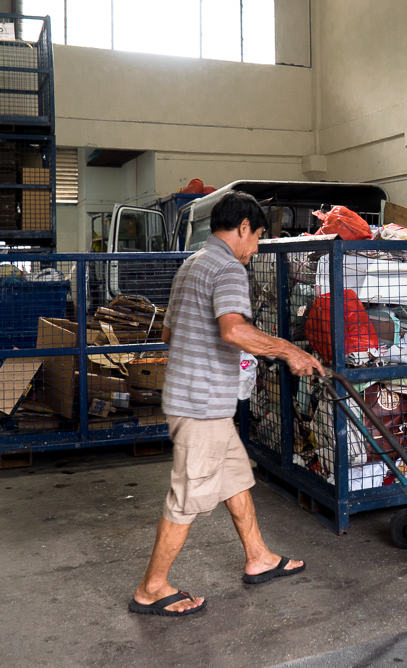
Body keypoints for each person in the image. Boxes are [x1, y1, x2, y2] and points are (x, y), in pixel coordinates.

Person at [129, 192, 324, 617]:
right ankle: (152, 587)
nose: (255, 249)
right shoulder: (229, 268)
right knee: (187, 498)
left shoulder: (191, 265)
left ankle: (259, 557)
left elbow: (169, 335)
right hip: (201, 407)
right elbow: (233, 331)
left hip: (196, 400)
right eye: (256, 238)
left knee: (235, 478)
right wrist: (288, 351)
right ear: (242, 229)